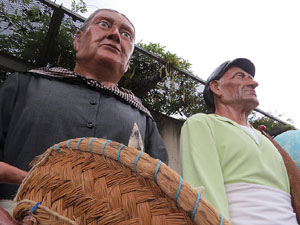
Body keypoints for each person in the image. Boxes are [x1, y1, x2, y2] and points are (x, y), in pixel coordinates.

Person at [0, 8, 168, 202]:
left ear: (128, 63)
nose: (114, 35)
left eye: (126, 34)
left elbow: (161, 195)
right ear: (78, 41)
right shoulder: (24, 85)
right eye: (104, 24)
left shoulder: (144, 119)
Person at [180, 58, 299, 225]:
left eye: (251, 77)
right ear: (216, 87)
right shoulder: (202, 124)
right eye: (240, 76)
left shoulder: (268, 141)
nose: (254, 83)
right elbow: (204, 194)